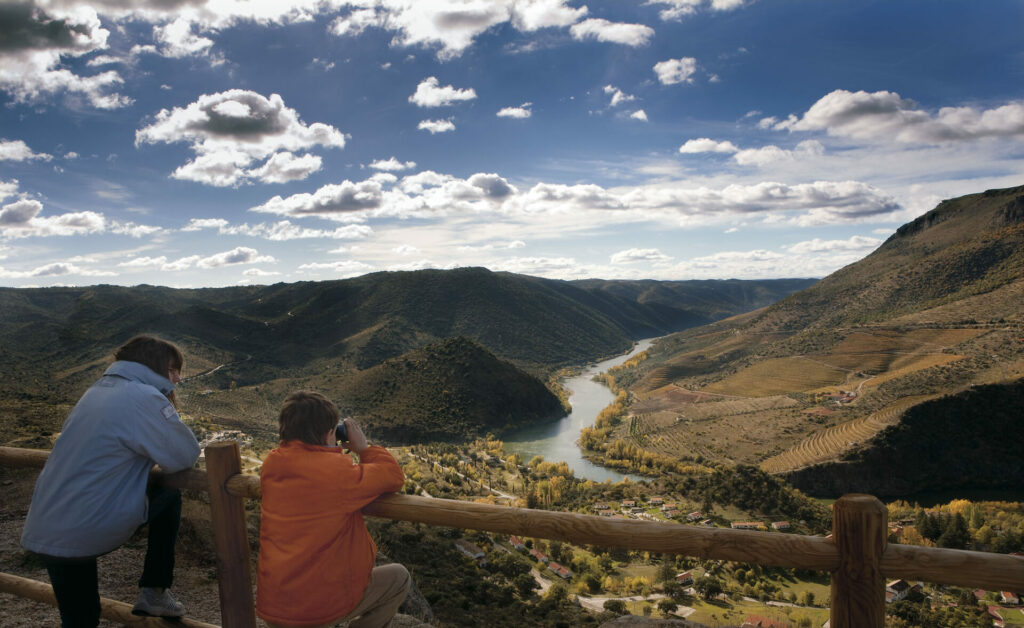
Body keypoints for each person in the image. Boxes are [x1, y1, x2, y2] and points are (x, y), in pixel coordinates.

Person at [21, 335, 201, 627]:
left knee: (79, 618)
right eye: (172, 370)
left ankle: (154, 592)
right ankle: (154, 591)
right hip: (84, 524)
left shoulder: (96, 392)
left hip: (48, 524)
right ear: (152, 366)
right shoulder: (143, 397)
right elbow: (184, 456)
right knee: (169, 495)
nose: (177, 379)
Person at [258, 391, 409, 628]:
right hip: (315, 612)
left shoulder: (271, 464)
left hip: (275, 605)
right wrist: (364, 449)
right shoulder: (336, 473)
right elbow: (392, 475)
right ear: (330, 433)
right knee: (399, 578)